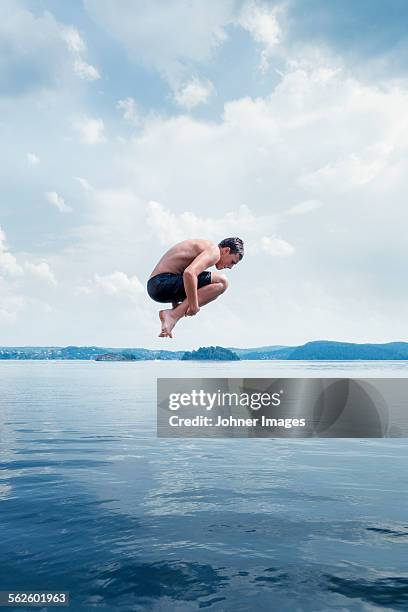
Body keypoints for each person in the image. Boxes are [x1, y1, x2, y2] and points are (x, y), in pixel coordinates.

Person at [147, 237, 244, 338]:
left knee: (205, 286)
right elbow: (189, 273)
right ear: (226, 250)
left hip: (156, 286)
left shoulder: (204, 249)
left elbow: (179, 271)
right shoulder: (214, 251)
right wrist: (193, 306)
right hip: (162, 282)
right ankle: (173, 315)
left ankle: (173, 314)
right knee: (222, 282)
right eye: (232, 262)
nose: (230, 267)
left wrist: (175, 304)